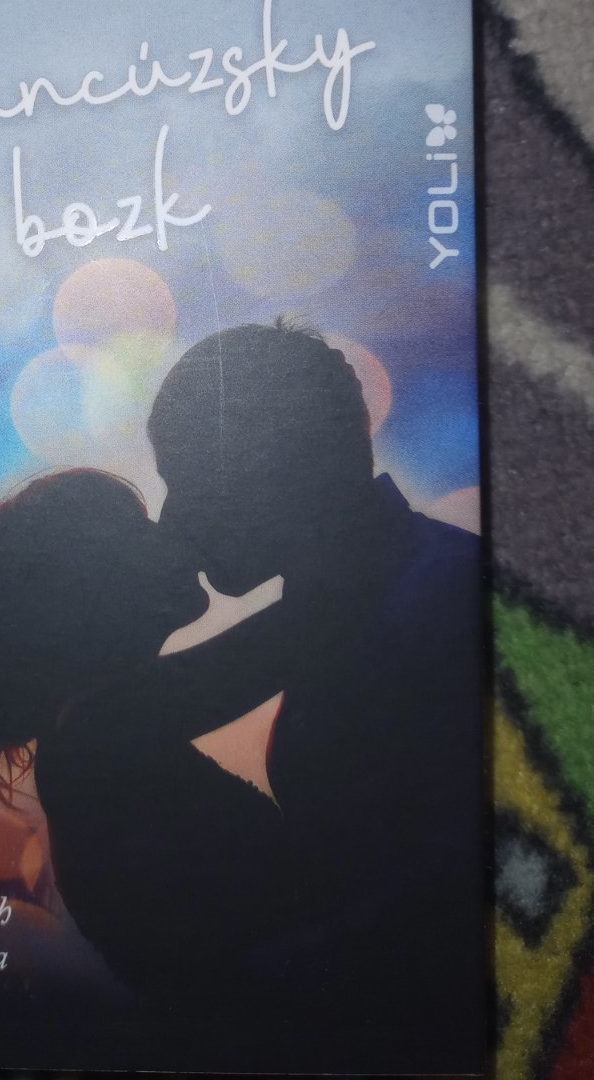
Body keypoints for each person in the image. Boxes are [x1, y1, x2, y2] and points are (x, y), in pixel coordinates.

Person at [147, 321, 485, 1071]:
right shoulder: (392, 595)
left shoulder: (442, 603)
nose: (170, 518)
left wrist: (250, 999)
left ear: (265, 462)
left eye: (184, 474)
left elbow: (457, 884)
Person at [0, 468, 303, 1023]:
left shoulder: (85, 726)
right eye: (136, 526)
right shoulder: (104, 721)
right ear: (89, 581)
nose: (164, 529)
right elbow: (299, 633)